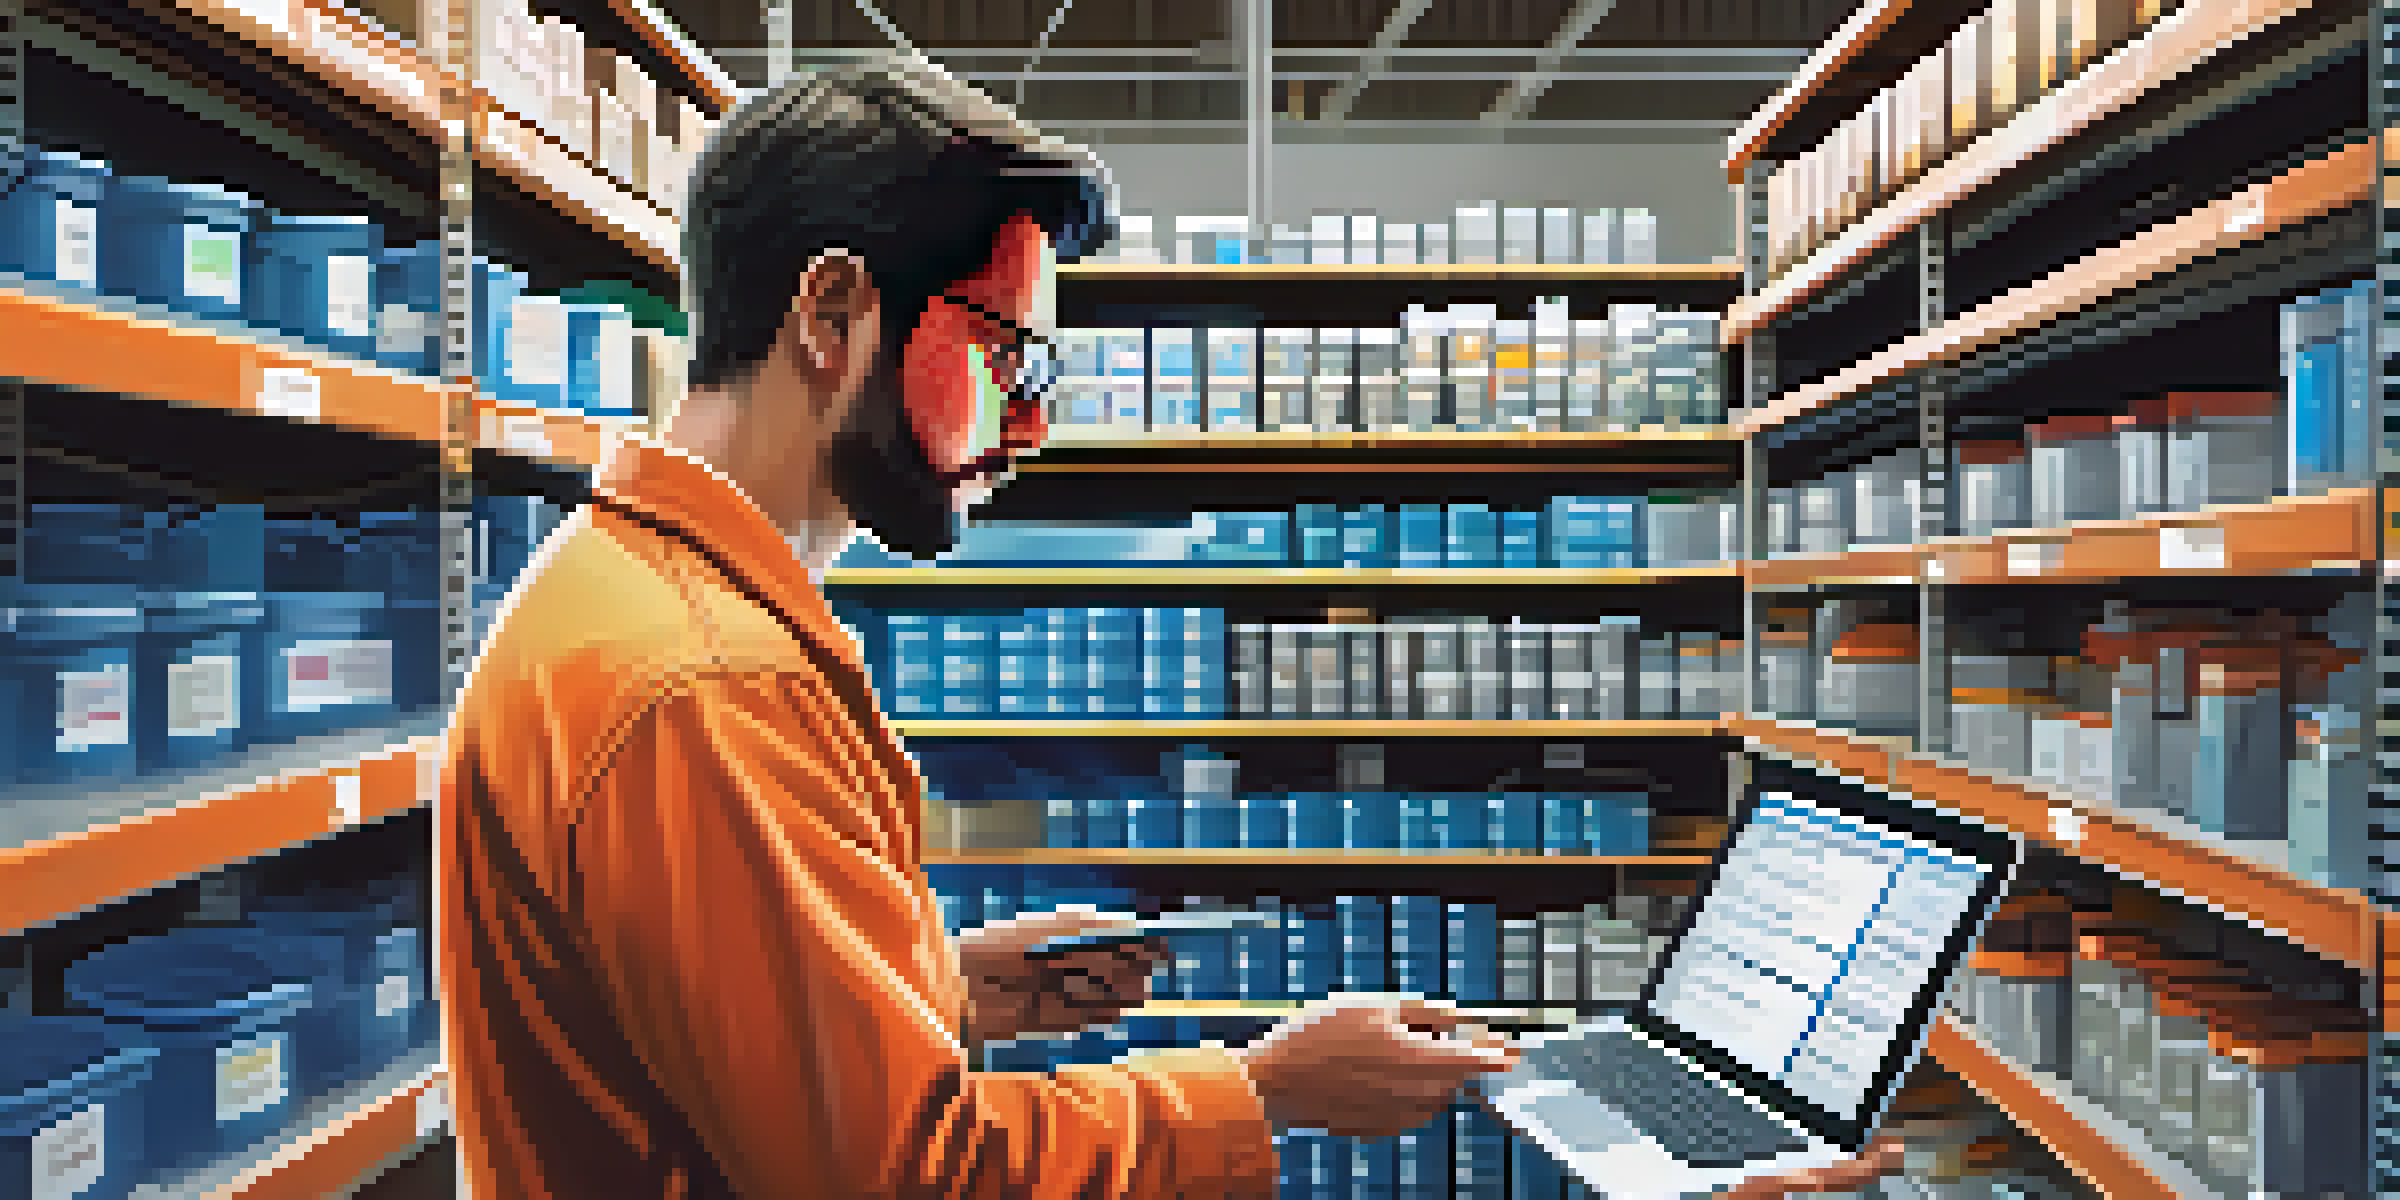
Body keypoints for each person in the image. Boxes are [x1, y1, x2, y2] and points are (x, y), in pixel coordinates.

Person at [436, 53, 1906, 1198]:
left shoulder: (626, 598)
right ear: (834, 312)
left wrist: (946, 989)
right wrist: (1262, 1091)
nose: (1029, 426)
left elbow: (715, 1062)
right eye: (1007, 359)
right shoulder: (704, 680)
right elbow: (901, 1180)